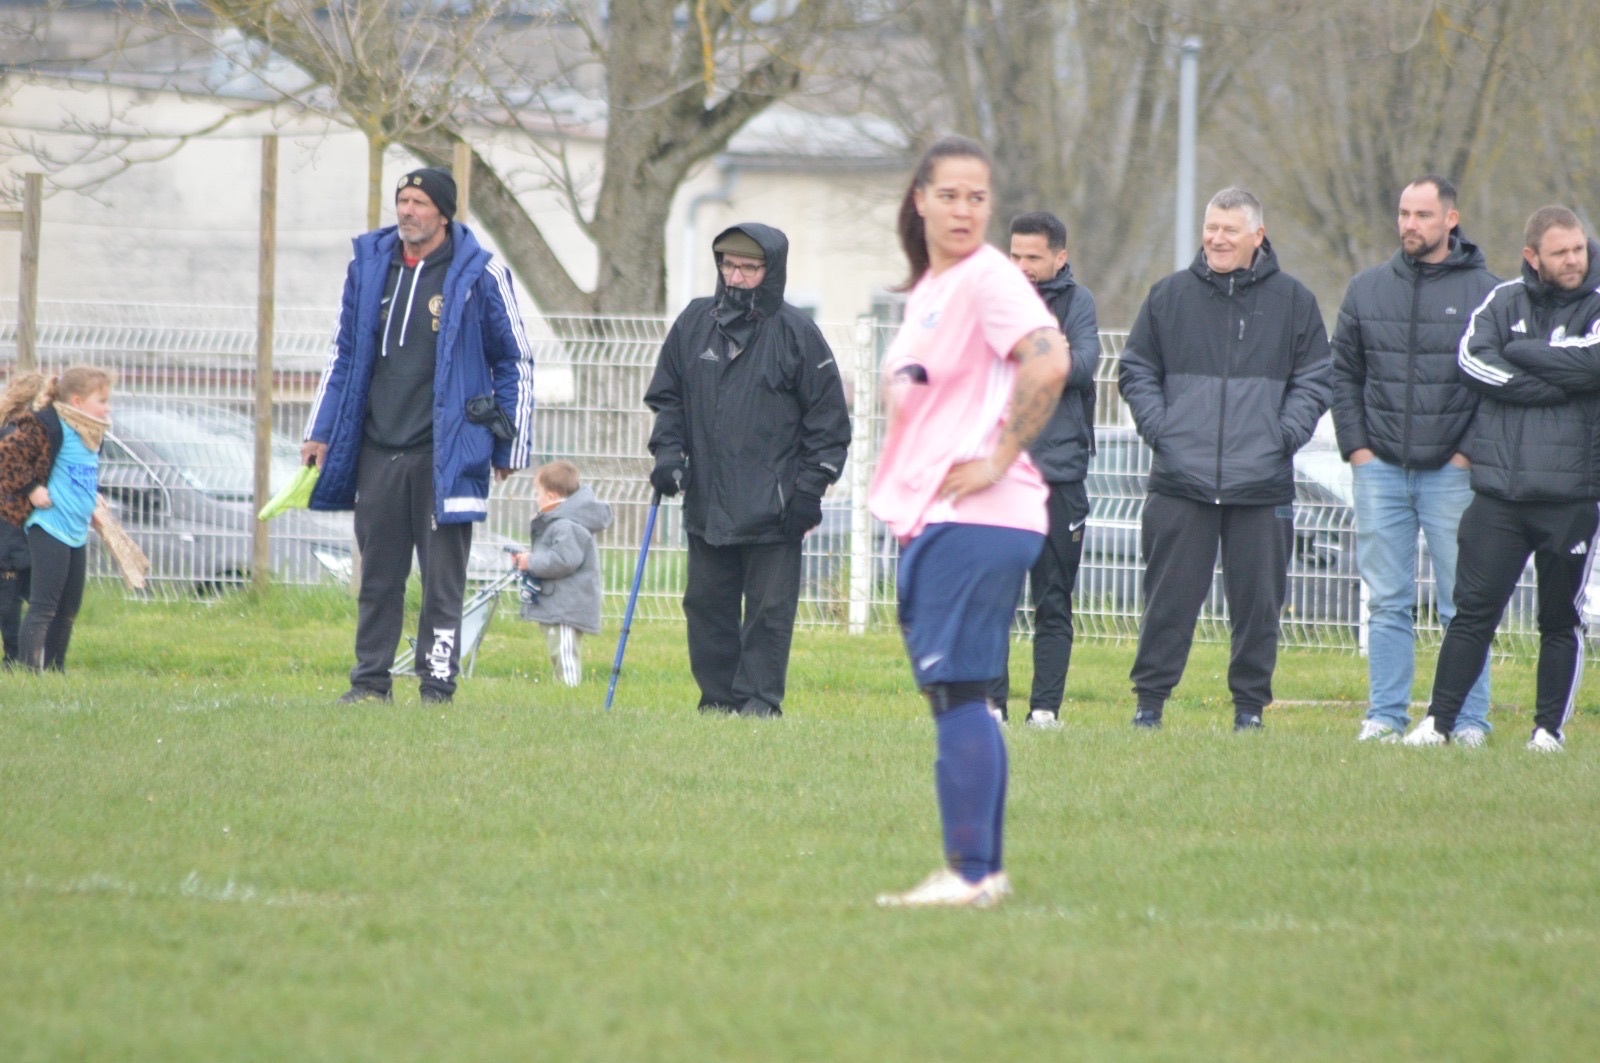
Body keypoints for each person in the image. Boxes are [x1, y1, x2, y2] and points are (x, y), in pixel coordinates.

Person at [870, 135, 1069, 908]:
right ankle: (982, 871)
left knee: (957, 693)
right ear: (920, 199)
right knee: (961, 695)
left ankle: (972, 873)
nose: (963, 209)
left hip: (977, 514)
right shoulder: (933, 288)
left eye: (977, 197)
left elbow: (1049, 358)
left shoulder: (988, 276)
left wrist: (997, 457)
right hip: (943, 517)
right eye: (949, 194)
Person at [303, 166, 535, 706]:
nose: (407, 211)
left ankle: (436, 686)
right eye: (402, 200)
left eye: (419, 203)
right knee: (377, 578)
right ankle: (369, 683)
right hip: (378, 448)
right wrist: (321, 429)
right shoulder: (368, 268)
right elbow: (343, 354)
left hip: (445, 454)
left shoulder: (480, 273)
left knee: (442, 582)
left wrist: (509, 442)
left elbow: (515, 360)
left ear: (443, 214)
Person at [1117, 187, 1332, 731]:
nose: (1216, 238)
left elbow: (1314, 379)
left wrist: (1282, 436)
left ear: (1257, 235)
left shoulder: (1294, 302)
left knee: (1258, 608)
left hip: (1261, 485)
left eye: (1229, 230)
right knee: (1166, 603)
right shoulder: (1168, 296)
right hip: (1179, 481)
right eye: (1211, 227)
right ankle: (1149, 706)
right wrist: (1163, 431)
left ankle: (1249, 711)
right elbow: (1136, 369)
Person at [1404, 206, 1600, 753]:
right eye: (1560, 252)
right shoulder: (1501, 300)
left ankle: (1548, 732)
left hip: (1571, 496)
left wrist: (1521, 353)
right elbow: (1472, 362)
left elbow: (1595, 364)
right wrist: (1555, 381)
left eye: (1579, 249)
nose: (1574, 260)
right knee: (1473, 614)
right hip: (1499, 498)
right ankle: (1437, 725)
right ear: (1532, 256)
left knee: (1559, 620)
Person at [644, 222, 850, 718]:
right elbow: (668, 398)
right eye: (728, 266)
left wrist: (810, 489)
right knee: (705, 606)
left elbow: (829, 423)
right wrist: (668, 455)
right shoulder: (694, 322)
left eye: (749, 268)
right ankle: (718, 702)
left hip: (776, 507)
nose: (736, 277)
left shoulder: (798, 334)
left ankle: (759, 704)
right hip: (707, 500)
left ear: (771, 270)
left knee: (768, 614)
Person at [1331, 176, 1500, 745]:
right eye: (1404, 213)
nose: (1410, 224)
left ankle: (1468, 722)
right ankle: (1385, 717)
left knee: (1463, 604)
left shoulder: (1489, 293)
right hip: (1378, 469)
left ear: (1451, 219)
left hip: (1453, 475)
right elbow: (1344, 375)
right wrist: (1358, 449)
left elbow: (1495, 384)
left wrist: (1466, 455)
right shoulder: (1365, 289)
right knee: (1387, 602)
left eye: (1423, 214)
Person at [986, 210, 1100, 729]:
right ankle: (992, 706)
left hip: (1059, 475)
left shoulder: (1079, 303)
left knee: (1053, 601)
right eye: (1015, 255)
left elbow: (1081, 366)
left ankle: (1045, 710)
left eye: (1033, 257)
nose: (1022, 266)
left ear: (1060, 257)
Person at [0, 368, 113, 672]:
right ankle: (27, 670)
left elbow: (79, 472)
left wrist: (93, 498)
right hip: (49, 526)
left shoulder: (92, 433)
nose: (107, 407)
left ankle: (54, 669)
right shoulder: (49, 425)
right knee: (44, 606)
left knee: (68, 609)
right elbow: (7, 455)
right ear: (77, 401)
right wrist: (32, 489)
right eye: (102, 400)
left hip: (76, 530)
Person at [511, 460, 612, 687]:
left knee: (565, 652)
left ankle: (569, 689)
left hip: (568, 606)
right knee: (558, 650)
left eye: (538, 493)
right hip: (561, 604)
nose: (536, 498)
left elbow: (563, 560)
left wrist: (531, 562)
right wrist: (528, 559)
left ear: (551, 496)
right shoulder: (563, 523)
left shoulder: (567, 525)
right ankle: (564, 686)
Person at [0, 372, 48, 667]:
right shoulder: (18, 432)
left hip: (16, 522)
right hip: (14, 522)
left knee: (15, 591)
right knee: (14, 590)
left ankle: (19, 655)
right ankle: (17, 656)